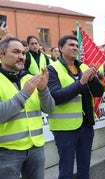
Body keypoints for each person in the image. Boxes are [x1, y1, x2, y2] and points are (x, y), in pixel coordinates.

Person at [47, 35, 104, 179]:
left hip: (86, 125)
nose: (75, 48)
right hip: (65, 129)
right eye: (71, 45)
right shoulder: (52, 69)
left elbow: (98, 92)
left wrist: (92, 80)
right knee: (66, 170)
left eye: (76, 45)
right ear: (60, 48)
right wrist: (81, 83)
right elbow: (55, 97)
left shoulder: (83, 66)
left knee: (84, 168)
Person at [0, 37, 55, 179]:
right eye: (16, 52)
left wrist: (43, 90)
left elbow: (49, 109)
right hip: (7, 151)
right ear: (1, 54)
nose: (21, 57)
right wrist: (24, 94)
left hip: (36, 148)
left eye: (23, 53)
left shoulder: (30, 78)